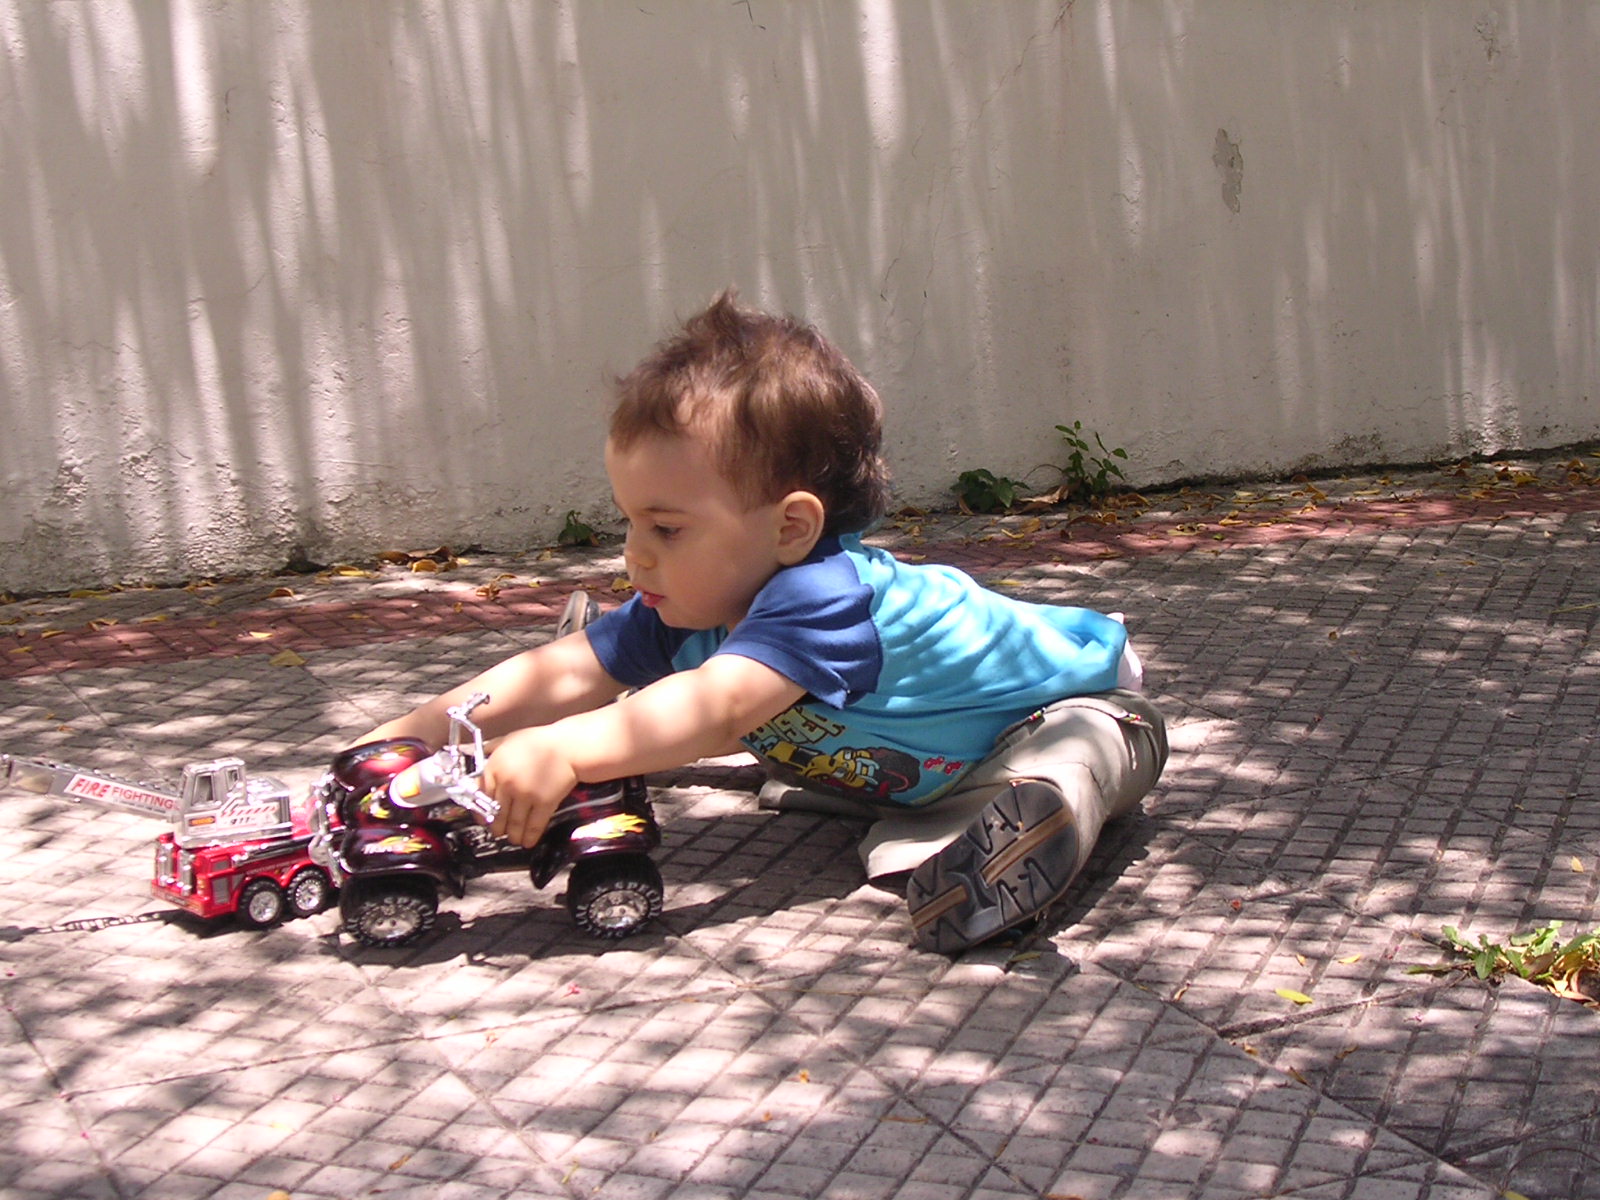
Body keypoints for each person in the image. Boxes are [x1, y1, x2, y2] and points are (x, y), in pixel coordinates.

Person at [361, 290, 1167, 954]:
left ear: (789, 529)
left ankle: (1031, 832)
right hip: (922, 760)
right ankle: (757, 747)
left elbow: (714, 706)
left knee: (1079, 753)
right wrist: (404, 739)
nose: (634, 557)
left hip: (1063, 712)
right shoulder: (694, 597)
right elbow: (560, 672)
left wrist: (566, 744)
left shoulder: (825, 596)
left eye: (666, 529)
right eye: (630, 525)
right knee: (651, 680)